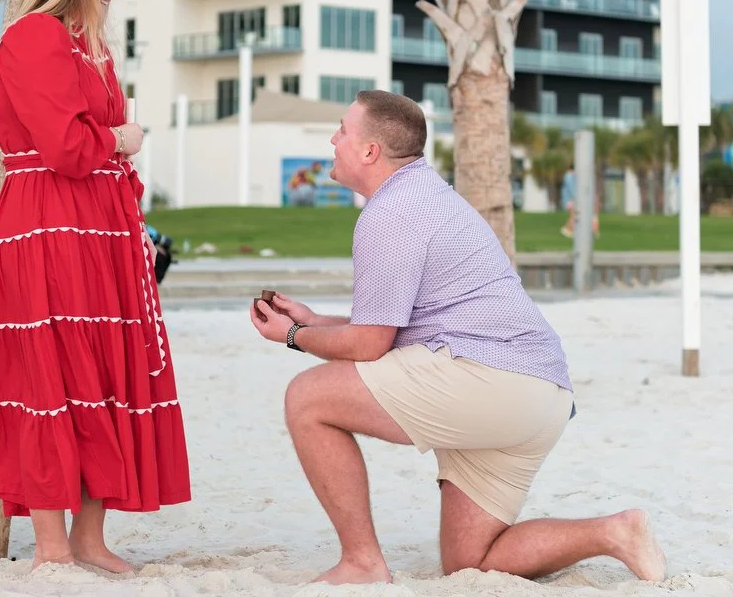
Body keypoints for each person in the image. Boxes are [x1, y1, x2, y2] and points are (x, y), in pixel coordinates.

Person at [249, 90, 665, 585]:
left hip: (489, 379)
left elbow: (368, 347)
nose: (333, 140)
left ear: (369, 152)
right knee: (471, 561)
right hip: (539, 394)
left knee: (308, 398)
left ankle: (361, 561)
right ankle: (616, 532)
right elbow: (389, 326)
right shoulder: (423, 193)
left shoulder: (391, 213)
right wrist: (316, 322)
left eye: (342, 130)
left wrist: (294, 335)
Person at [0, 0, 190, 573]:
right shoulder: (33, 38)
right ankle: (49, 546)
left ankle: (88, 540)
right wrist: (121, 141)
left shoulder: (88, 45)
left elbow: (91, 145)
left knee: (102, 373)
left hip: (97, 224)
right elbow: (67, 148)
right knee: (49, 377)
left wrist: (121, 171)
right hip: (48, 221)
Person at [560, 166, 600, 239]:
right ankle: (567, 229)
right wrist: (579, 198)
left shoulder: (574, 176)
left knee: (577, 214)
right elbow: (572, 189)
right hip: (570, 200)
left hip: (574, 199)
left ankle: (571, 230)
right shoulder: (569, 176)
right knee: (574, 214)